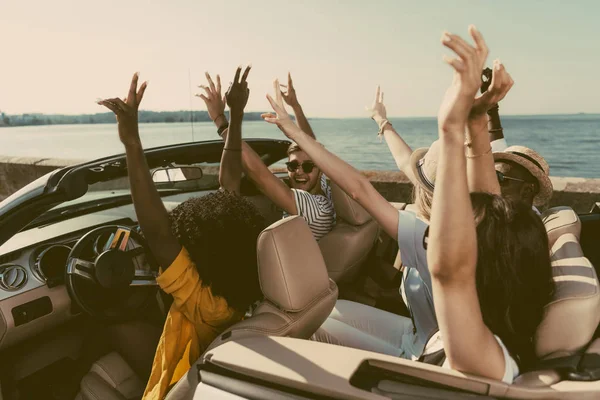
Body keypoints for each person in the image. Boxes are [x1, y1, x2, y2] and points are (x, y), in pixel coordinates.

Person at [261, 26, 553, 383]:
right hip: (422, 337)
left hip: (414, 358)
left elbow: (449, 272)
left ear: (478, 262)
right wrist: (477, 122)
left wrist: (450, 127)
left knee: (309, 331)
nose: (457, 229)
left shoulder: (487, 357)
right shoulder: (508, 256)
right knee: (326, 310)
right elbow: (360, 190)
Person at [98, 67, 265, 400]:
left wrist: (132, 141)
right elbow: (229, 186)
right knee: (119, 326)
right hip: (196, 360)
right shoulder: (238, 291)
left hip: (172, 387)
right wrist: (234, 116)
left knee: (103, 328)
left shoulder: (201, 301)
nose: (180, 238)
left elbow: (156, 229)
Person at [198, 71, 335, 240]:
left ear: (320, 169)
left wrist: (221, 120)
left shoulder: (313, 208)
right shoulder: (325, 193)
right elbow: (312, 147)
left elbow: (260, 175)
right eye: (293, 166)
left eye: (307, 166)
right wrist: (295, 106)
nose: (299, 171)